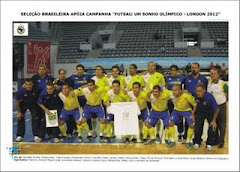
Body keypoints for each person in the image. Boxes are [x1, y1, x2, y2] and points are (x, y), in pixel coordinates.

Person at [168, 84, 197, 149]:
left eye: (175, 90)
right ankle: (172, 140)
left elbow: (195, 105)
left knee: (192, 125)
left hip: (187, 110)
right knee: (170, 123)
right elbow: (162, 91)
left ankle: (189, 141)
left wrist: (192, 115)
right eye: (173, 90)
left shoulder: (187, 96)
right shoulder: (171, 94)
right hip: (177, 110)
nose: (173, 92)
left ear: (180, 90)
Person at [143, 61, 166, 143]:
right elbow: (142, 87)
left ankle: (157, 134)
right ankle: (150, 134)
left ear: (155, 67)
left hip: (156, 100)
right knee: (148, 116)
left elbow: (163, 86)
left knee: (158, 117)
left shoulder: (159, 76)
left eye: (152, 66)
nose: (151, 67)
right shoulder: (144, 76)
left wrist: (156, 93)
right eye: (149, 66)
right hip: (147, 99)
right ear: (147, 67)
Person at [68, 64, 93, 137]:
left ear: (83, 70)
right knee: (76, 114)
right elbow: (66, 82)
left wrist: (84, 86)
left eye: (80, 69)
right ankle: (76, 130)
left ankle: (89, 130)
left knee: (87, 114)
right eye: (78, 70)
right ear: (76, 70)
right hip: (76, 99)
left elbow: (95, 80)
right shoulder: (73, 77)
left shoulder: (88, 76)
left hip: (85, 98)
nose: (79, 71)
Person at [193, 83, 219, 151]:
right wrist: (192, 114)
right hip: (200, 112)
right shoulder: (194, 95)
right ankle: (197, 142)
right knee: (197, 127)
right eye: (197, 91)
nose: (198, 93)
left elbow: (217, 109)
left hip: (210, 112)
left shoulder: (210, 97)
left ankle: (209, 143)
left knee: (212, 127)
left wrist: (214, 120)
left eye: (200, 91)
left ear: (204, 91)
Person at [207, 68, 228, 148]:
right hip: (211, 107)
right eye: (211, 73)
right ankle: (215, 140)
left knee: (221, 124)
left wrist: (225, 100)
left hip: (220, 106)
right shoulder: (208, 82)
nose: (212, 75)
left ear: (218, 75)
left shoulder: (223, 84)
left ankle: (221, 141)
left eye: (214, 73)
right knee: (212, 123)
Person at [165, 65, 185, 142]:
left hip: (179, 101)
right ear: (170, 71)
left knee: (180, 116)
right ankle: (170, 133)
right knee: (171, 117)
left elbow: (185, 87)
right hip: (170, 101)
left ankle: (180, 133)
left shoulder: (181, 78)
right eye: (171, 70)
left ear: (177, 71)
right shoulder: (166, 78)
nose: (173, 72)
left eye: (174, 70)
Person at [91, 65, 110, 138]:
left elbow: (109, 88)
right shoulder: (93, 79)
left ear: (102, 70)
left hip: (104, 100)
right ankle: (95, 131)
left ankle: (104, 131)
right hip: (95, 100)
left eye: (99, 69)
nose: (98, 71)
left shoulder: (107, 78)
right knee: (94, 117)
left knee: (104, 117)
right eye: (96, 69)